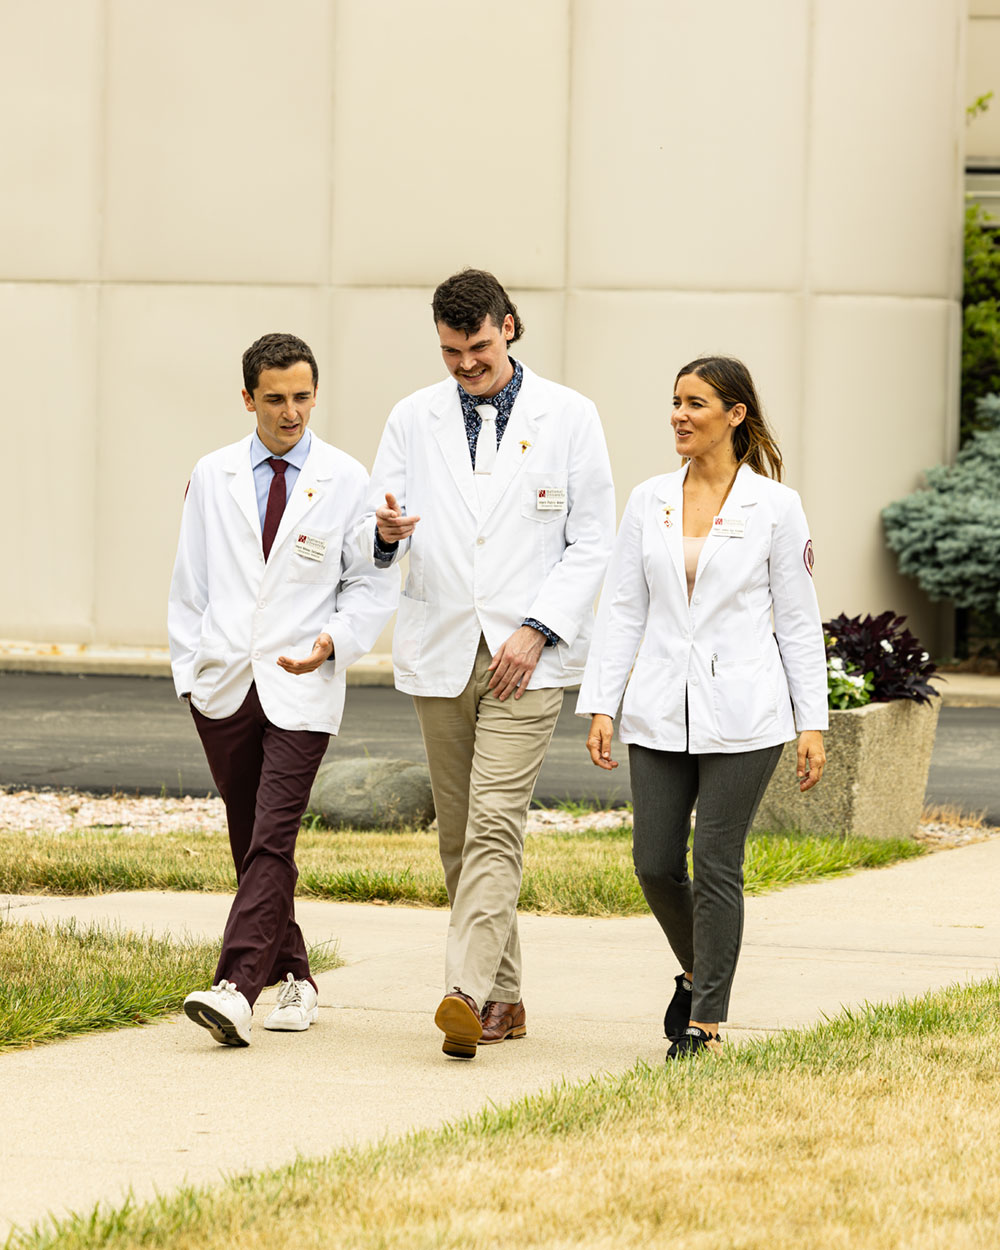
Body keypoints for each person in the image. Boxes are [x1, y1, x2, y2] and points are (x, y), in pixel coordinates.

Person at [362, 269, 615, 1058]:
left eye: (477, 348)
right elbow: (376, 525)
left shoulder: (570, 417)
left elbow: (594, 540)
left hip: (526, 656)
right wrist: (386, 532)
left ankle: (462, 991)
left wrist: (539, 627)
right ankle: (504, 999)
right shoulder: (412, 417)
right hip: (442, 645)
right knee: (460, 834)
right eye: (449, 352)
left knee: (496, 824)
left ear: (509, 327)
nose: (465, 365)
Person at [577, 356, 827, 1059]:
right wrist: (602, 703)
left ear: (735, 415)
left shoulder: (776, 507)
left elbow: (799, 620)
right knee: (655, 862)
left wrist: (813, 722)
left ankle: (707, 1020)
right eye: (676, 402)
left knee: (716, 860)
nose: (679, 416)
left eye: (696, 403)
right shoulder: (648, 499)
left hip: (746, 712)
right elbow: (623, 606)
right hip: (658, 706)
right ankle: (698, 970)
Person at [168, 332, 398, 1046]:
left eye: (302, 396)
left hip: (303, 681)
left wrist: (336, 641)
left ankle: (236, 986)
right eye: (275, 398)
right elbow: (191, 581)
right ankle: (296, 975)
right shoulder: (212, 475)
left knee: (272, 836)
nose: (291, 411)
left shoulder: (345, 476)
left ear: (315, 394)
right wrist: (190, 670)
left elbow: (369, 577)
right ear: (248, 400)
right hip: (225, 682)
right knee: (251, 841)